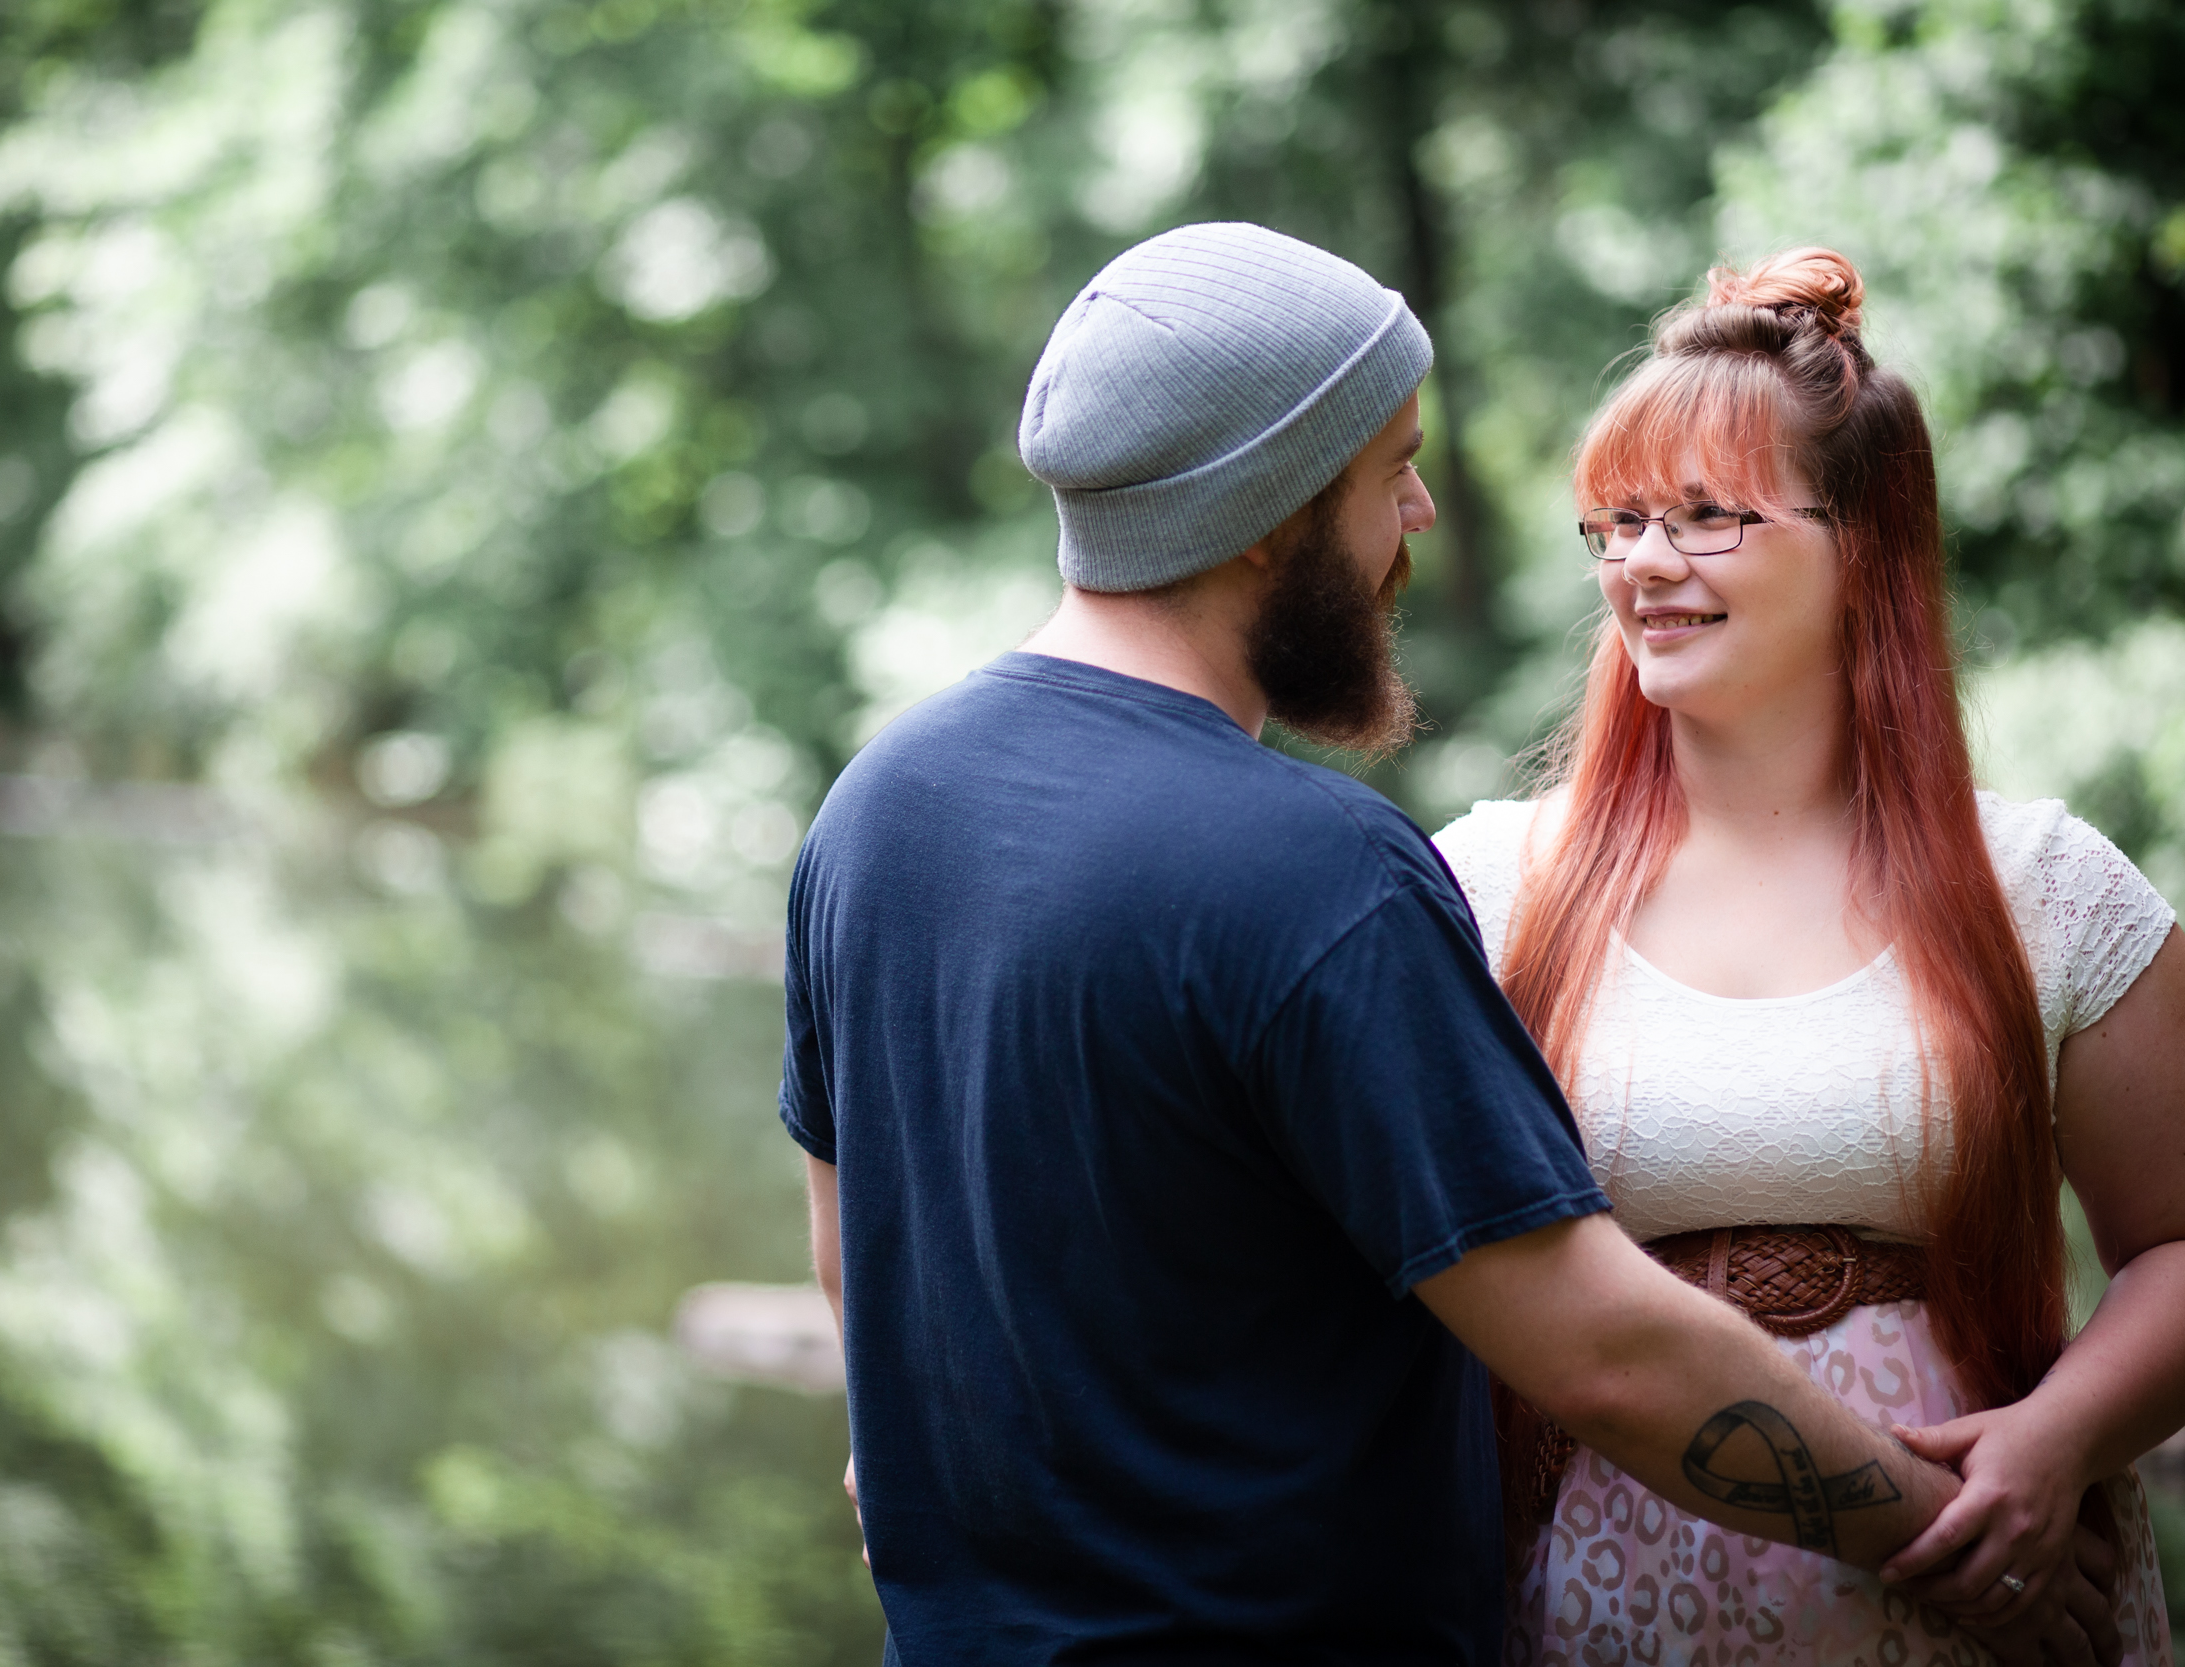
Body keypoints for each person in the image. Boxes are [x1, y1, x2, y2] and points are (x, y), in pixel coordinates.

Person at [777, 223, 2096, 1665]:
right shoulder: (1317, 876)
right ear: (1268, 507)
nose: (1415, 511)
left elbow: (859, 1271)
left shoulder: (871, 818)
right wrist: (1942, 1535)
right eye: (1388, 464)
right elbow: (1598, 1350)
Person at [1431, 247, 2185, 1664]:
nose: (1644, 564)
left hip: (1990, 1585)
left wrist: (2059, 1442)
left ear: (1867, 548)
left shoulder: (2049, 888)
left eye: (1709, 516)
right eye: (1621, 521)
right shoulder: (1492, 887)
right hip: (1602, 1597)